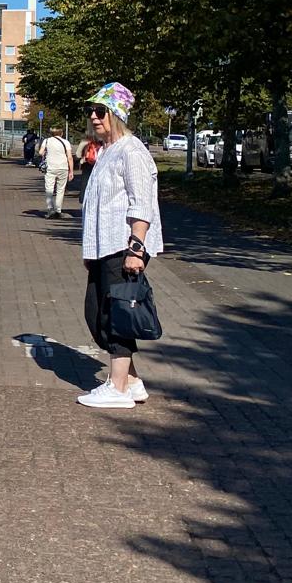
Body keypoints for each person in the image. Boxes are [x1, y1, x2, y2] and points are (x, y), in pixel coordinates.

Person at [76, 81, 164, 409]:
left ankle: (117, 387)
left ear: (117, 115)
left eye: (101, 111)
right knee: (97, 313)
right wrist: (90, 251)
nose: (94, 117)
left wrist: (136, 248)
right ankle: (132, 382)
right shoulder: (107, 150)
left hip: (122, 245)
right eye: (91, 111)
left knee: (116, 315)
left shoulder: (132, 151)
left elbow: (142, 202)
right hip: (104, 247)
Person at [38, 125, 73, 218]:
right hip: (63, 167)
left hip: (50, 167)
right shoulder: (66, 142)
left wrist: (46, 153)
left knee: (49, 188)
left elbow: (40, 152)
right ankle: (58, 210)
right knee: (60, 189)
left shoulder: (46, 141)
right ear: (61, 133)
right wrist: (71, 171)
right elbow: (69, 157)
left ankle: (50, 210)